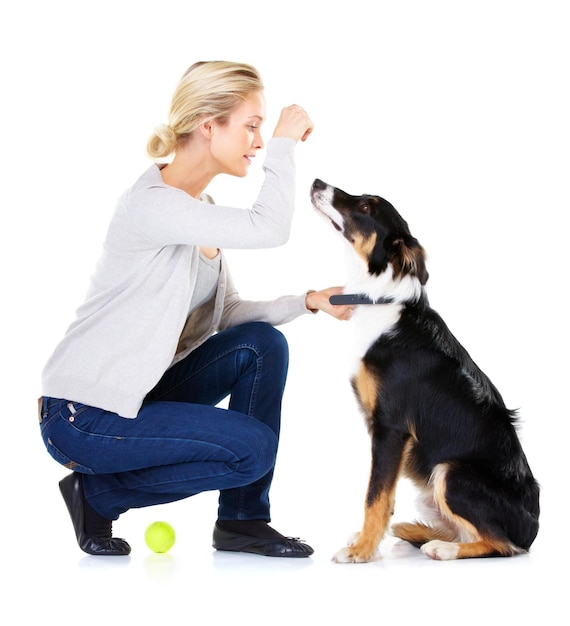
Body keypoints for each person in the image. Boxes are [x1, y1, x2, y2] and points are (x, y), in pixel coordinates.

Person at [39, 60, 352, 558]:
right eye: (251, 126)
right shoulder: (153, 204)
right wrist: (285, 146)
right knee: (251, 448)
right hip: (82, 415)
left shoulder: (199, 208)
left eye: (262, 130)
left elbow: (224, 314)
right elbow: (268, 228)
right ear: (209, 126)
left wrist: (308, 301)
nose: (258, 140)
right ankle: (96, 495)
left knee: (262, 343)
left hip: (140, 395)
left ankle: (242, 523)